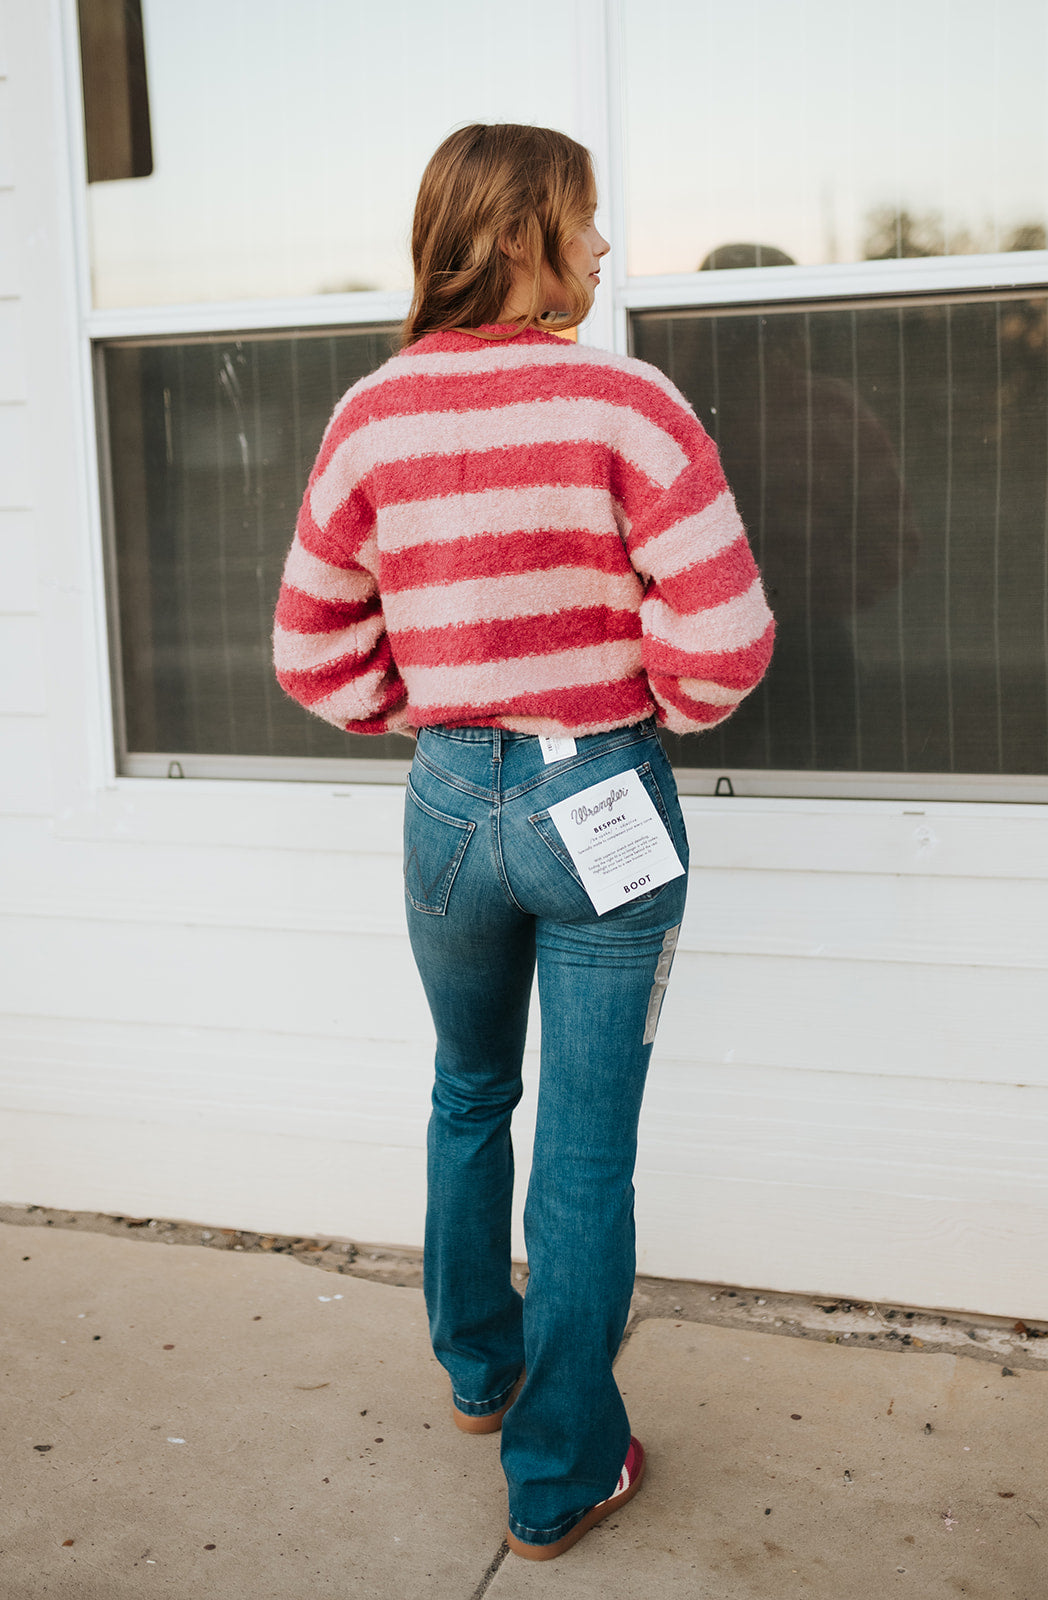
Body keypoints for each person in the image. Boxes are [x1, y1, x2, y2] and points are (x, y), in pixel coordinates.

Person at [273, 123, 774, 1561]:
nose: (607, 250)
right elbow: (725, 639)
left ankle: (481, 1373)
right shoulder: (626, 401)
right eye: (587, 222)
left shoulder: (371, 414)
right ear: (517, 239)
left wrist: (432, 728)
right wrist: (638, 719)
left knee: (468, 1089)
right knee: (586, 1151)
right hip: (597, 791)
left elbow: (313, 649)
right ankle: (560, 1475)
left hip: (447, 799)